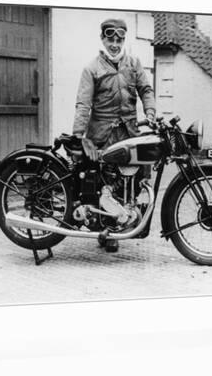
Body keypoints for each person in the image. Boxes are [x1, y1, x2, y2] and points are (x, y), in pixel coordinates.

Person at [72, 18, 156, 252]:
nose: (115, 44)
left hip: (129, 133)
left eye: (119, 39)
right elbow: (83, 104)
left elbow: (146, 90)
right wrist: (78, 135)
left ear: (123, 40)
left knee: (129, 182)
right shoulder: (92, 68)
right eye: (110, 39)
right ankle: (108, 234)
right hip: (102, 135)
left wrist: (150, 110)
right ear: (103, 39)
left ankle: (124, 223)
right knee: (104, 183)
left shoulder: (134, 64)